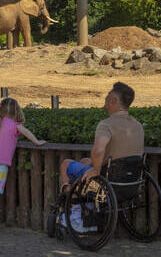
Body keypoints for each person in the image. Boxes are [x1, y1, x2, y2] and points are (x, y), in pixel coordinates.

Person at [58, 82, 144, 231]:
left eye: (107, 98)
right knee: (85, 162)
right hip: (131, 182)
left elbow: (98, 151)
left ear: (113, 101)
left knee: (66, 164)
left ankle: (75, 214)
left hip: (108, 181)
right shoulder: (137, 125)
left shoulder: (106, 125)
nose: (104, 102)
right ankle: (89, 208)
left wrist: (96, 171)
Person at [0, 97, 46, 232]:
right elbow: (26, 133)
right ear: (16, 110)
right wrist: (37, 142)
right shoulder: (15, 126)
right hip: (1, 165)